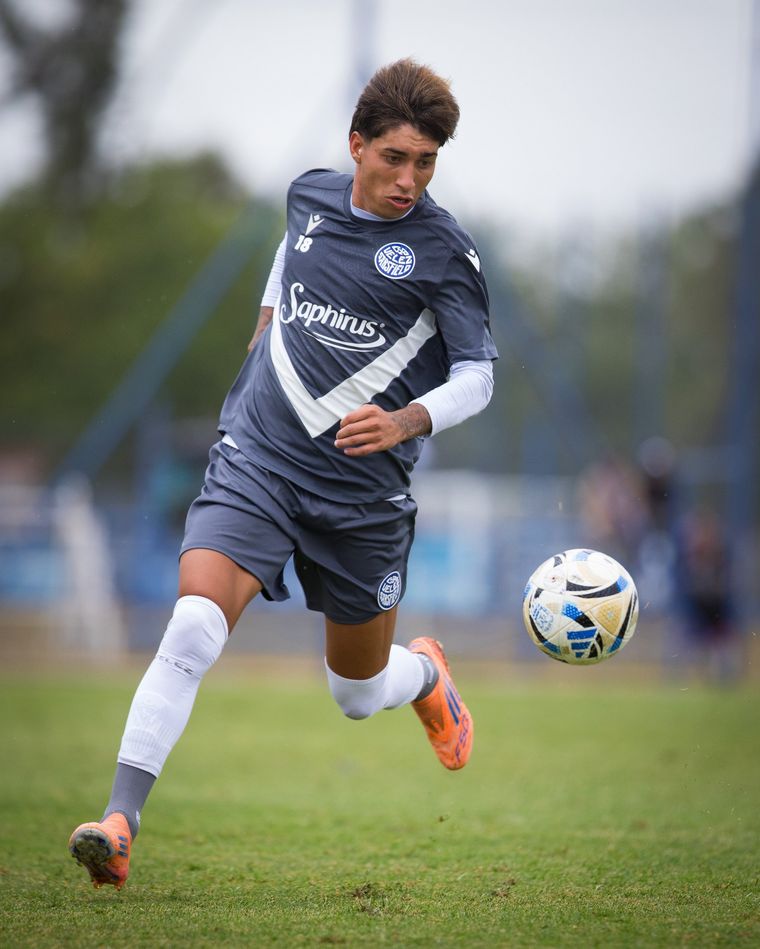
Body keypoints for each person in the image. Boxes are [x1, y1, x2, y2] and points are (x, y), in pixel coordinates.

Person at [69, 58, 498, 890]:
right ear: (356, 145)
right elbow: (289, 254)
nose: (409, 179)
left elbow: (480, 375)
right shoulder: (308, 195)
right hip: (260, 457)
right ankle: (119, 822)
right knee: (193, 626)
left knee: (355, 690)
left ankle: (426, 675)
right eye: (395, 158)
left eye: (427, 163)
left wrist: (408, 419)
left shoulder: (445, 251)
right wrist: (266, 323)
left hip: (364, 496)